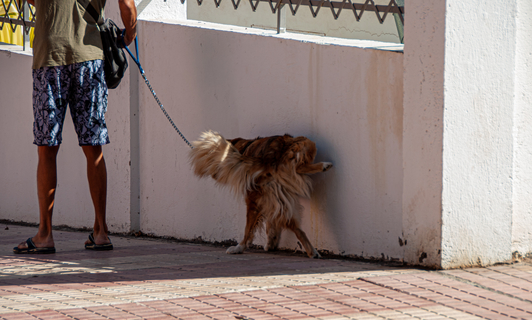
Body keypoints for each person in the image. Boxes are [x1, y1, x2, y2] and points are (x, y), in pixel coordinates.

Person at [14, 0, 137, 253]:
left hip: (49, 55)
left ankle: (45, 235)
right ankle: (101, 232)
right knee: (94, 146)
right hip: (89, 58)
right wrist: (130, 33)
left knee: (47, 148)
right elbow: (127, 4)